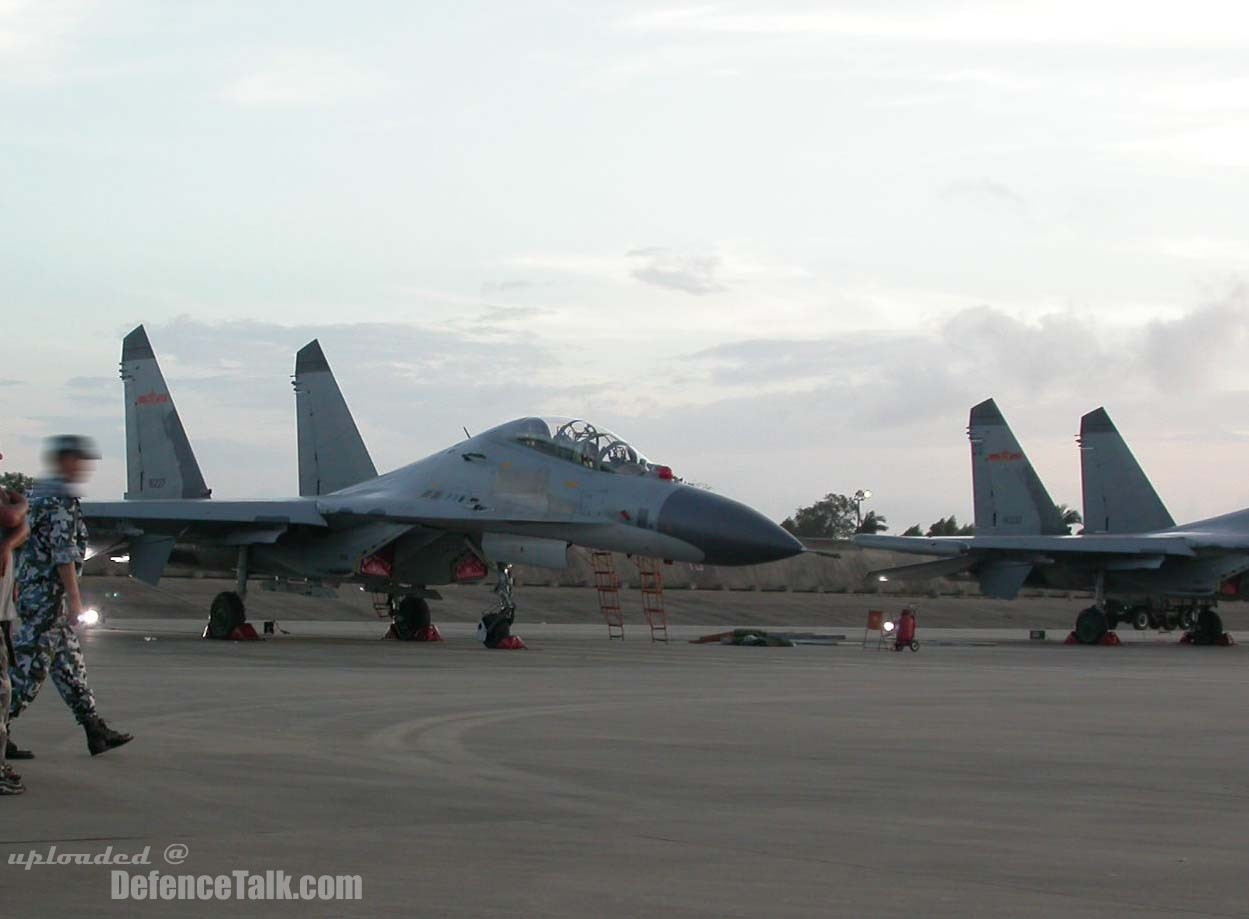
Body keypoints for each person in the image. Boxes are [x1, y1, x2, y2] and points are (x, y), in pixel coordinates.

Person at [7, 435, 132, 758]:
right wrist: (76, 603)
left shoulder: (39, 497)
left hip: (41, 597)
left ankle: (94, 729)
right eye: (80, 462)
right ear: (65, 462)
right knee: (28, 672)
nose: (84, 469)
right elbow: (63, 557)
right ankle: (1, 730)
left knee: (70, 667)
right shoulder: (58, 503)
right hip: (45, 601)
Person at [0, 445, 30, 793]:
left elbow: (22, 529)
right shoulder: (8, 501)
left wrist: (8, 547)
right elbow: (12, 519)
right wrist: (23, 502)